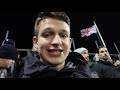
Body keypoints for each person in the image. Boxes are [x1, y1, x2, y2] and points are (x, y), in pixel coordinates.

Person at [20, 12, 94, 78]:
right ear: (36, 42)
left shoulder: (89, 75)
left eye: (63, 35)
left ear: (70, 42)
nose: (57, 42)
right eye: (47, 34)